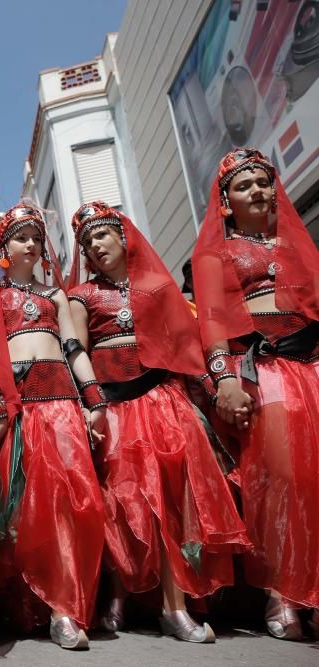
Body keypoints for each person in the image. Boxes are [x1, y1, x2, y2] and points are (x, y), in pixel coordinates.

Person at [67, 201, 251, 643]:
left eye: (102, 235)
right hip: (115, 408)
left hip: (163, 401)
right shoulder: (81, 297)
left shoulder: (157, 285)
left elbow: (187, 346)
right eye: (88, 242)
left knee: (169, 503)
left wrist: (220, 390)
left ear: (123, 236)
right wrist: (92, 402)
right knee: (126, 506)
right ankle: (121, 591)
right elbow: (75, 349)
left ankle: (174, 606)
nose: (95, 245)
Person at [192, 148, 319, 640]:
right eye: (244, 186)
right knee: (284, 478)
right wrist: (225, 380)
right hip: (265, 371)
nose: (257, 192)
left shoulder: (296, 244)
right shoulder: (213, 255)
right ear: (226, 200)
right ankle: (282, 593)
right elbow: (214, 324)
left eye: (263, 182)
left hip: (313, 365)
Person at [0, 203, 105, 650]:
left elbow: (74, 350)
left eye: (36, 237)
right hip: (20, 412)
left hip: (63, 408)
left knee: (69, 503)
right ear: (3, 248)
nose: (31, 243)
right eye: (21, 237)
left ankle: (67, 609)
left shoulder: (55, 297)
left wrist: (94, 402)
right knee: (24, 511)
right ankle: (30, 603)